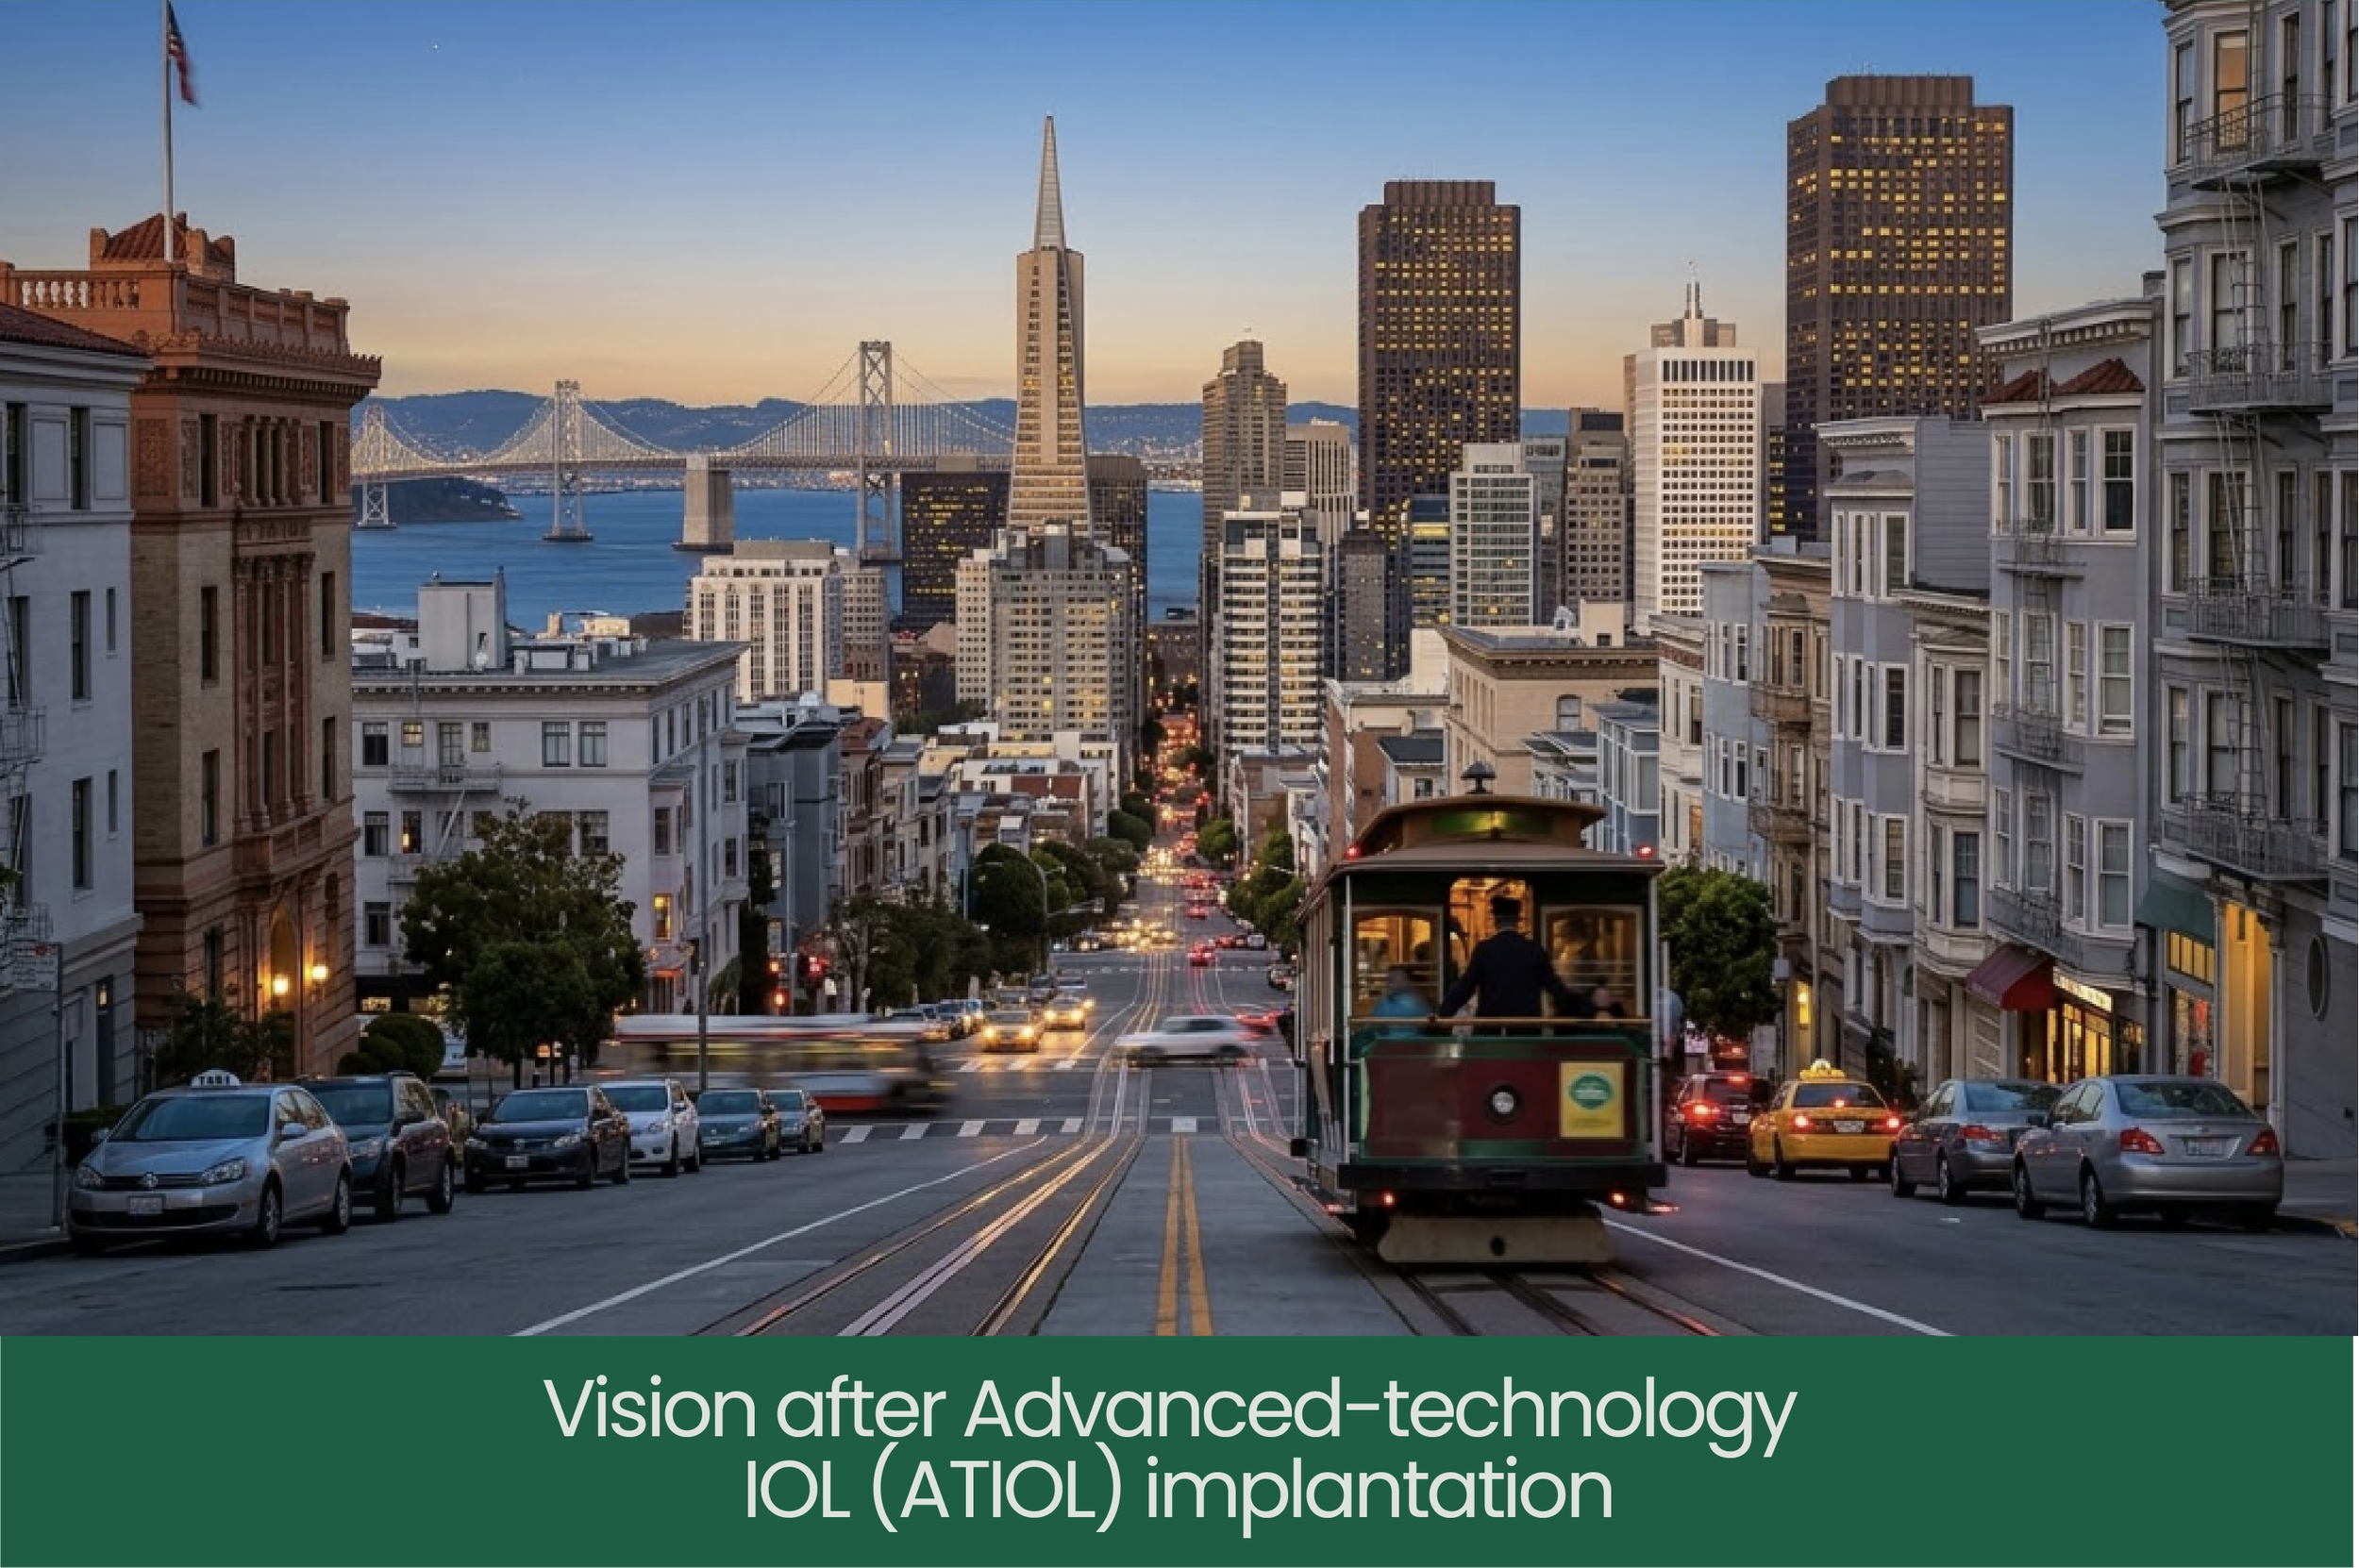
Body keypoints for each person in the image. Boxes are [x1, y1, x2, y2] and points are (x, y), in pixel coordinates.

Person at [1435, 895, 1585, 1021]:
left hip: (1490, 1033)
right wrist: (1586, 1011)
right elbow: (1556, 989)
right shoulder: (1534, 950)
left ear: (1495, 921)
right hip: (1526, 1032)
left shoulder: (1484, 950)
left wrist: (1442, 1015)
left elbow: (1464, 988)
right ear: (1517, 921)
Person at [1370, 965, 1431, 1039]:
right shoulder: (1383, 1003)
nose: (1388, 983)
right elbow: (1377, 1026)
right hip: (1386, 1044)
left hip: (1412, 1044)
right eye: (1389, 979)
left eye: (1393, 979)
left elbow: (1426, 1026)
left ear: (1407, 981)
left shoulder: (1418, 1002)